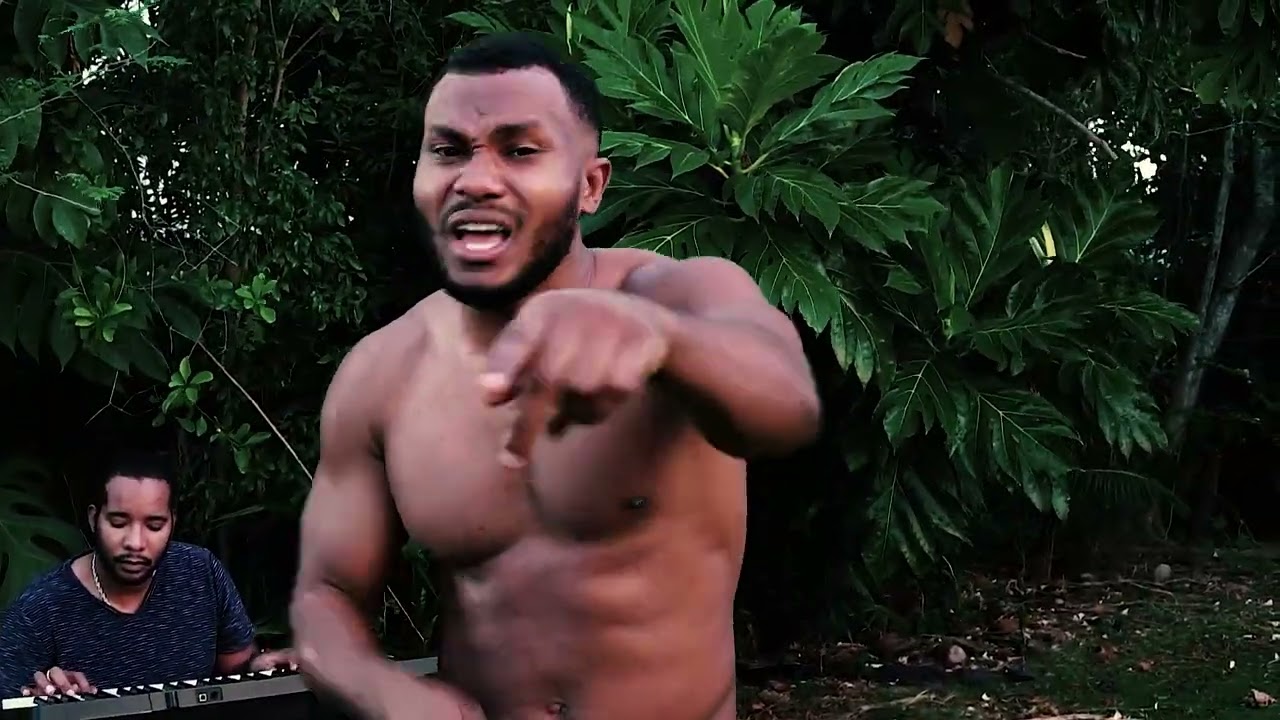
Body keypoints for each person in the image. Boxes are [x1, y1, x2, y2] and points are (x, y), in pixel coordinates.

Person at [288, 31, 822, 720]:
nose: (475, 180)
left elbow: (787, 403)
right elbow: (325, 596)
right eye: (448, 150)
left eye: (519, 150)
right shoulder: (380, 372)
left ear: (590, 184)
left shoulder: (680, 296)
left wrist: (664, 340)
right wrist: (389, 696)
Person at [0, 450, 294, 697]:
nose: (136, 543)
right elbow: (14, 699)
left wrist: (262, 668)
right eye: (119, 523)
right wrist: (43, 699)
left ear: (172, 523)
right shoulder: (41, 609)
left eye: (154, 526)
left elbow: (237, 672)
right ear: (94, 519)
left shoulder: (200, 574)